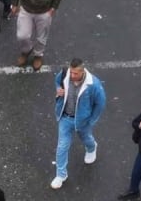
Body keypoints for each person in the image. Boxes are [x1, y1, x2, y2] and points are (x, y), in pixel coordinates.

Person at [52, 58, 107, 189]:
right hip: (65, 118)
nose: (72, 76)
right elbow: (57, 81)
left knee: (86, 138)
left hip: (82, 121)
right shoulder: (65, 74)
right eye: (71, 72)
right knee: (62, 147)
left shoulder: (93, 84)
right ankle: (61, 175)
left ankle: (91, 148)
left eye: (75, 73)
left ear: (82, 72)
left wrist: (91, 121)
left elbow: (100, 103)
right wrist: (59, 88)